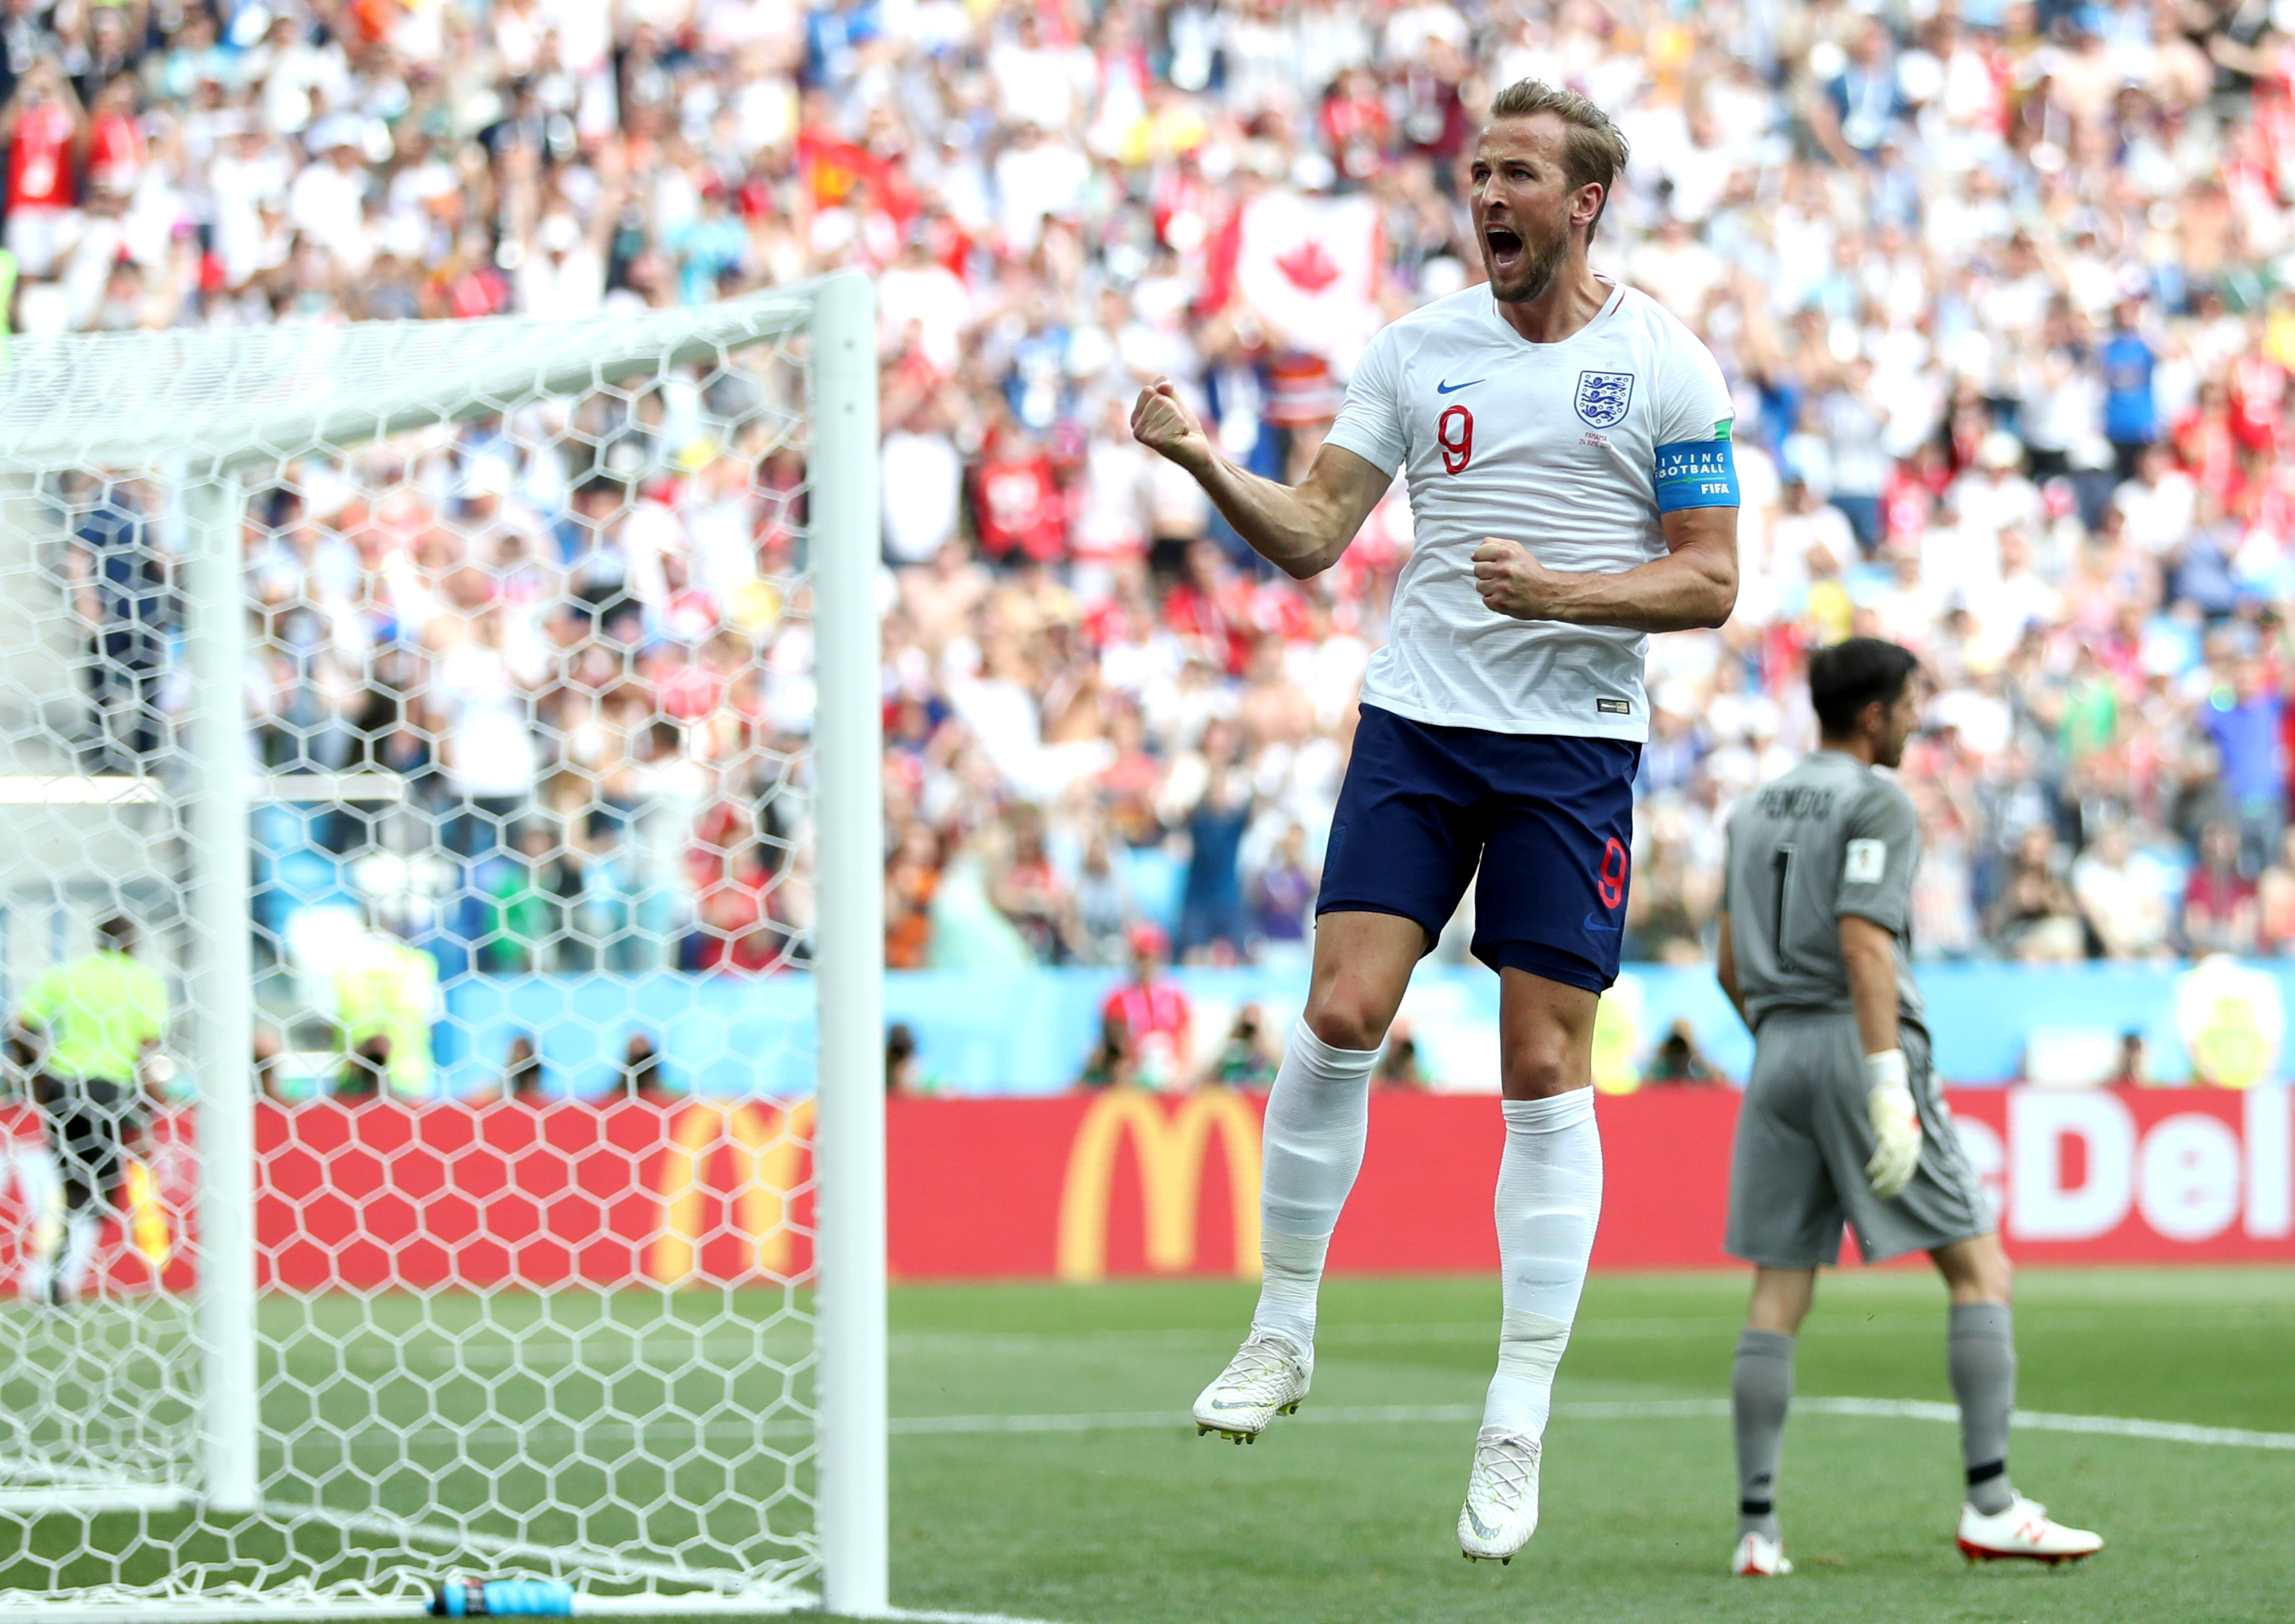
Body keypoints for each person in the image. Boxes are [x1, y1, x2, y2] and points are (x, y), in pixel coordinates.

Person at [1134, 80, 1738, 1562]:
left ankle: (1515, 1412)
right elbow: (1313, 537)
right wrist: (1206, 462)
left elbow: (1710, 580)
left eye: (1514, 173)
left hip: (1572, 750)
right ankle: (1280, 1330)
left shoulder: (1665, 361)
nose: (1484, 195)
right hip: (1418, 723)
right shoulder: (1413, 349)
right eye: (1475, 172)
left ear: (1582, 200)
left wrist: (1566, 598)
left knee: (1540, 1061)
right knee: (1339, 1009)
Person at [1714, 638, 2102, 1577]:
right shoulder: (1879, 799)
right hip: (1858, 1038)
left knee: (1777, 1288)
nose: (1919, 716)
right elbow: (1864, 945)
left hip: (1777, 1049)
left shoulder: (1755, 806)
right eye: (1911, 701)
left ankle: (1758, 1532)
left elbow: (1727, 963)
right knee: (1981, 1269)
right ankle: (1993, 1503)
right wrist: (1884, 1080)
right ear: (1874, 715)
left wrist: (1782, 1043)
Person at [7, 917, 167, 1306]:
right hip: (110, 1090)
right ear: (133, 944)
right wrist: (151, 1106)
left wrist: (39, 1076)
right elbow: (148, 1047)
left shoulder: (66, 975)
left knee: (70, 1185)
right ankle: (57, 1276)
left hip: (63, 1087)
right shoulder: (143, 981)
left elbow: (20, 1027)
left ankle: (52, 1273)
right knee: (104, 1191)